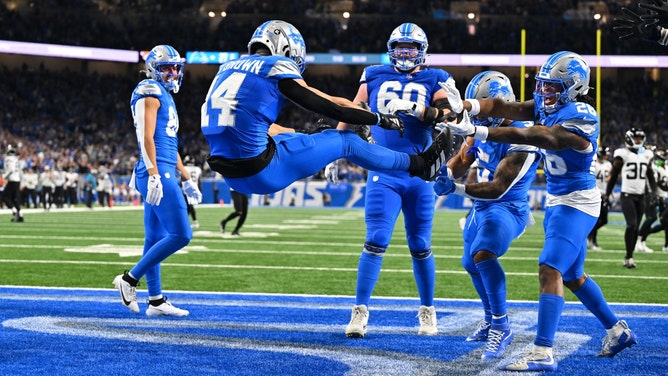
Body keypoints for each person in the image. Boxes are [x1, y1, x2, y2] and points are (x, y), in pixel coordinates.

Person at [439, 51, 638, 372]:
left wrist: (477, 132)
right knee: (572, 276)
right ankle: (617, 330)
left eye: (551, 87)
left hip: (579, 201)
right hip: (558, 200)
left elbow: (534, 134)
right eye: (542, 86)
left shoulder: (581, 116)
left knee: (549, 268)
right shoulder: (552, 105)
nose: (543, 93)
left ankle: (542, 351)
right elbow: (505, 107)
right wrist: (467, 107)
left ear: (573, 88)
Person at [200, 20, 453, 199]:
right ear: (286, 48)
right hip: (262, 171)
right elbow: (335, 108)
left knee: (296, 136)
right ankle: (419, 164)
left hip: (230, 174)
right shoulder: (275, 67)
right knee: (347, 141)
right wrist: (378, 118)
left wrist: (305, 136)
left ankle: (313, 140)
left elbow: (267, 127)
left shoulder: (227, 68)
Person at [328, 23, 455, 338]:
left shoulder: (435, 77)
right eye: (400, 46)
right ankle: (359, 312)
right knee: (375, 241)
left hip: (419, 172)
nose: (404, 52)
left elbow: (449, 114)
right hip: (383, 171)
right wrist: (334, 151)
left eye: (410, 48)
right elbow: (354, 110)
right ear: (391, 48)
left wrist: (419, 110)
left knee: (420, 244)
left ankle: (427, 311)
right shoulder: (373, 74)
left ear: (421, 51)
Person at [433, 71, 541, 359]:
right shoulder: (482, 127)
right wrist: (440, 171)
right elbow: (462, 159)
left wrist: (454, 189)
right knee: (470, 262)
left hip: (508, 207)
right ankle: (490, 318)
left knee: (483, 253)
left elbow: (497, 189)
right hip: (479, 207)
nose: (479, 120)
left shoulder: (523, 136)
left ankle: (502, 326)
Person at [113, 44, 202, 317]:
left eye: (176, 67)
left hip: (162, 168)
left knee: (154, 237)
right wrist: (153, 173)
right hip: (156, 172)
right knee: (181, 234)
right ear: (154, 69)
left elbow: (168, 144)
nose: (173, 73)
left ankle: (156, 300)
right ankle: (129, 279)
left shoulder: (165, 94)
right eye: (166, 68)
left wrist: (186, 178)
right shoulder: (148, 90)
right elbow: (146, 137)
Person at [605, 128, 657, 267]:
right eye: (636, 138)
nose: (639, 141)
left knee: (636, 227)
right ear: (629, 138)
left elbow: (650, 175)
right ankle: (628, 256)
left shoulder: (646, 154)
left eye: (640, 138)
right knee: (632, 224)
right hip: (627, 194)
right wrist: (607, 193)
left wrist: (654, 193)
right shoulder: (622, 154)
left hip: (641, 196)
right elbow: (614, 175)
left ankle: (630, 257)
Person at [637, 148, 668, 252]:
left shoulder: (663, 167)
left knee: (659, 221)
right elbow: (654, 180)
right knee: (651, 218)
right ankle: (639, 238)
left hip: (659, 196)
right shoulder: (655, 166)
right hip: (651, 195)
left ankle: (642, 240)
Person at [588, 146, 612, 251]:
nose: (606, 156)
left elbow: (609, 178)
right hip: (595, 194)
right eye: (605, 154)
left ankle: (589, 235)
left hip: (604, 194)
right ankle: (592, 240)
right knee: (596, 219)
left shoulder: (608, 164)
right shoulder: (593, 164)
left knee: (604, 220)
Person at [2, 145, 24, 222]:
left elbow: (11, 170)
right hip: (17, 180)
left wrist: (4, 177)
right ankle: (20, 215)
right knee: (15, 199)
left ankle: (14, 211)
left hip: (12, 180)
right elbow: (19, 171)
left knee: (4, 197)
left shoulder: (8, 159)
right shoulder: (16, 159)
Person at [182, 155, 202, 229]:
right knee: (189, 206)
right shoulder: (198, 169)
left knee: (188, 206)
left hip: (187, 189)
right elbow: (199, 181)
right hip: (195, 189)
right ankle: (187, 222)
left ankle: (193, 222)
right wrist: (200, 190)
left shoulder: (185, 168)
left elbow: (182, 179)